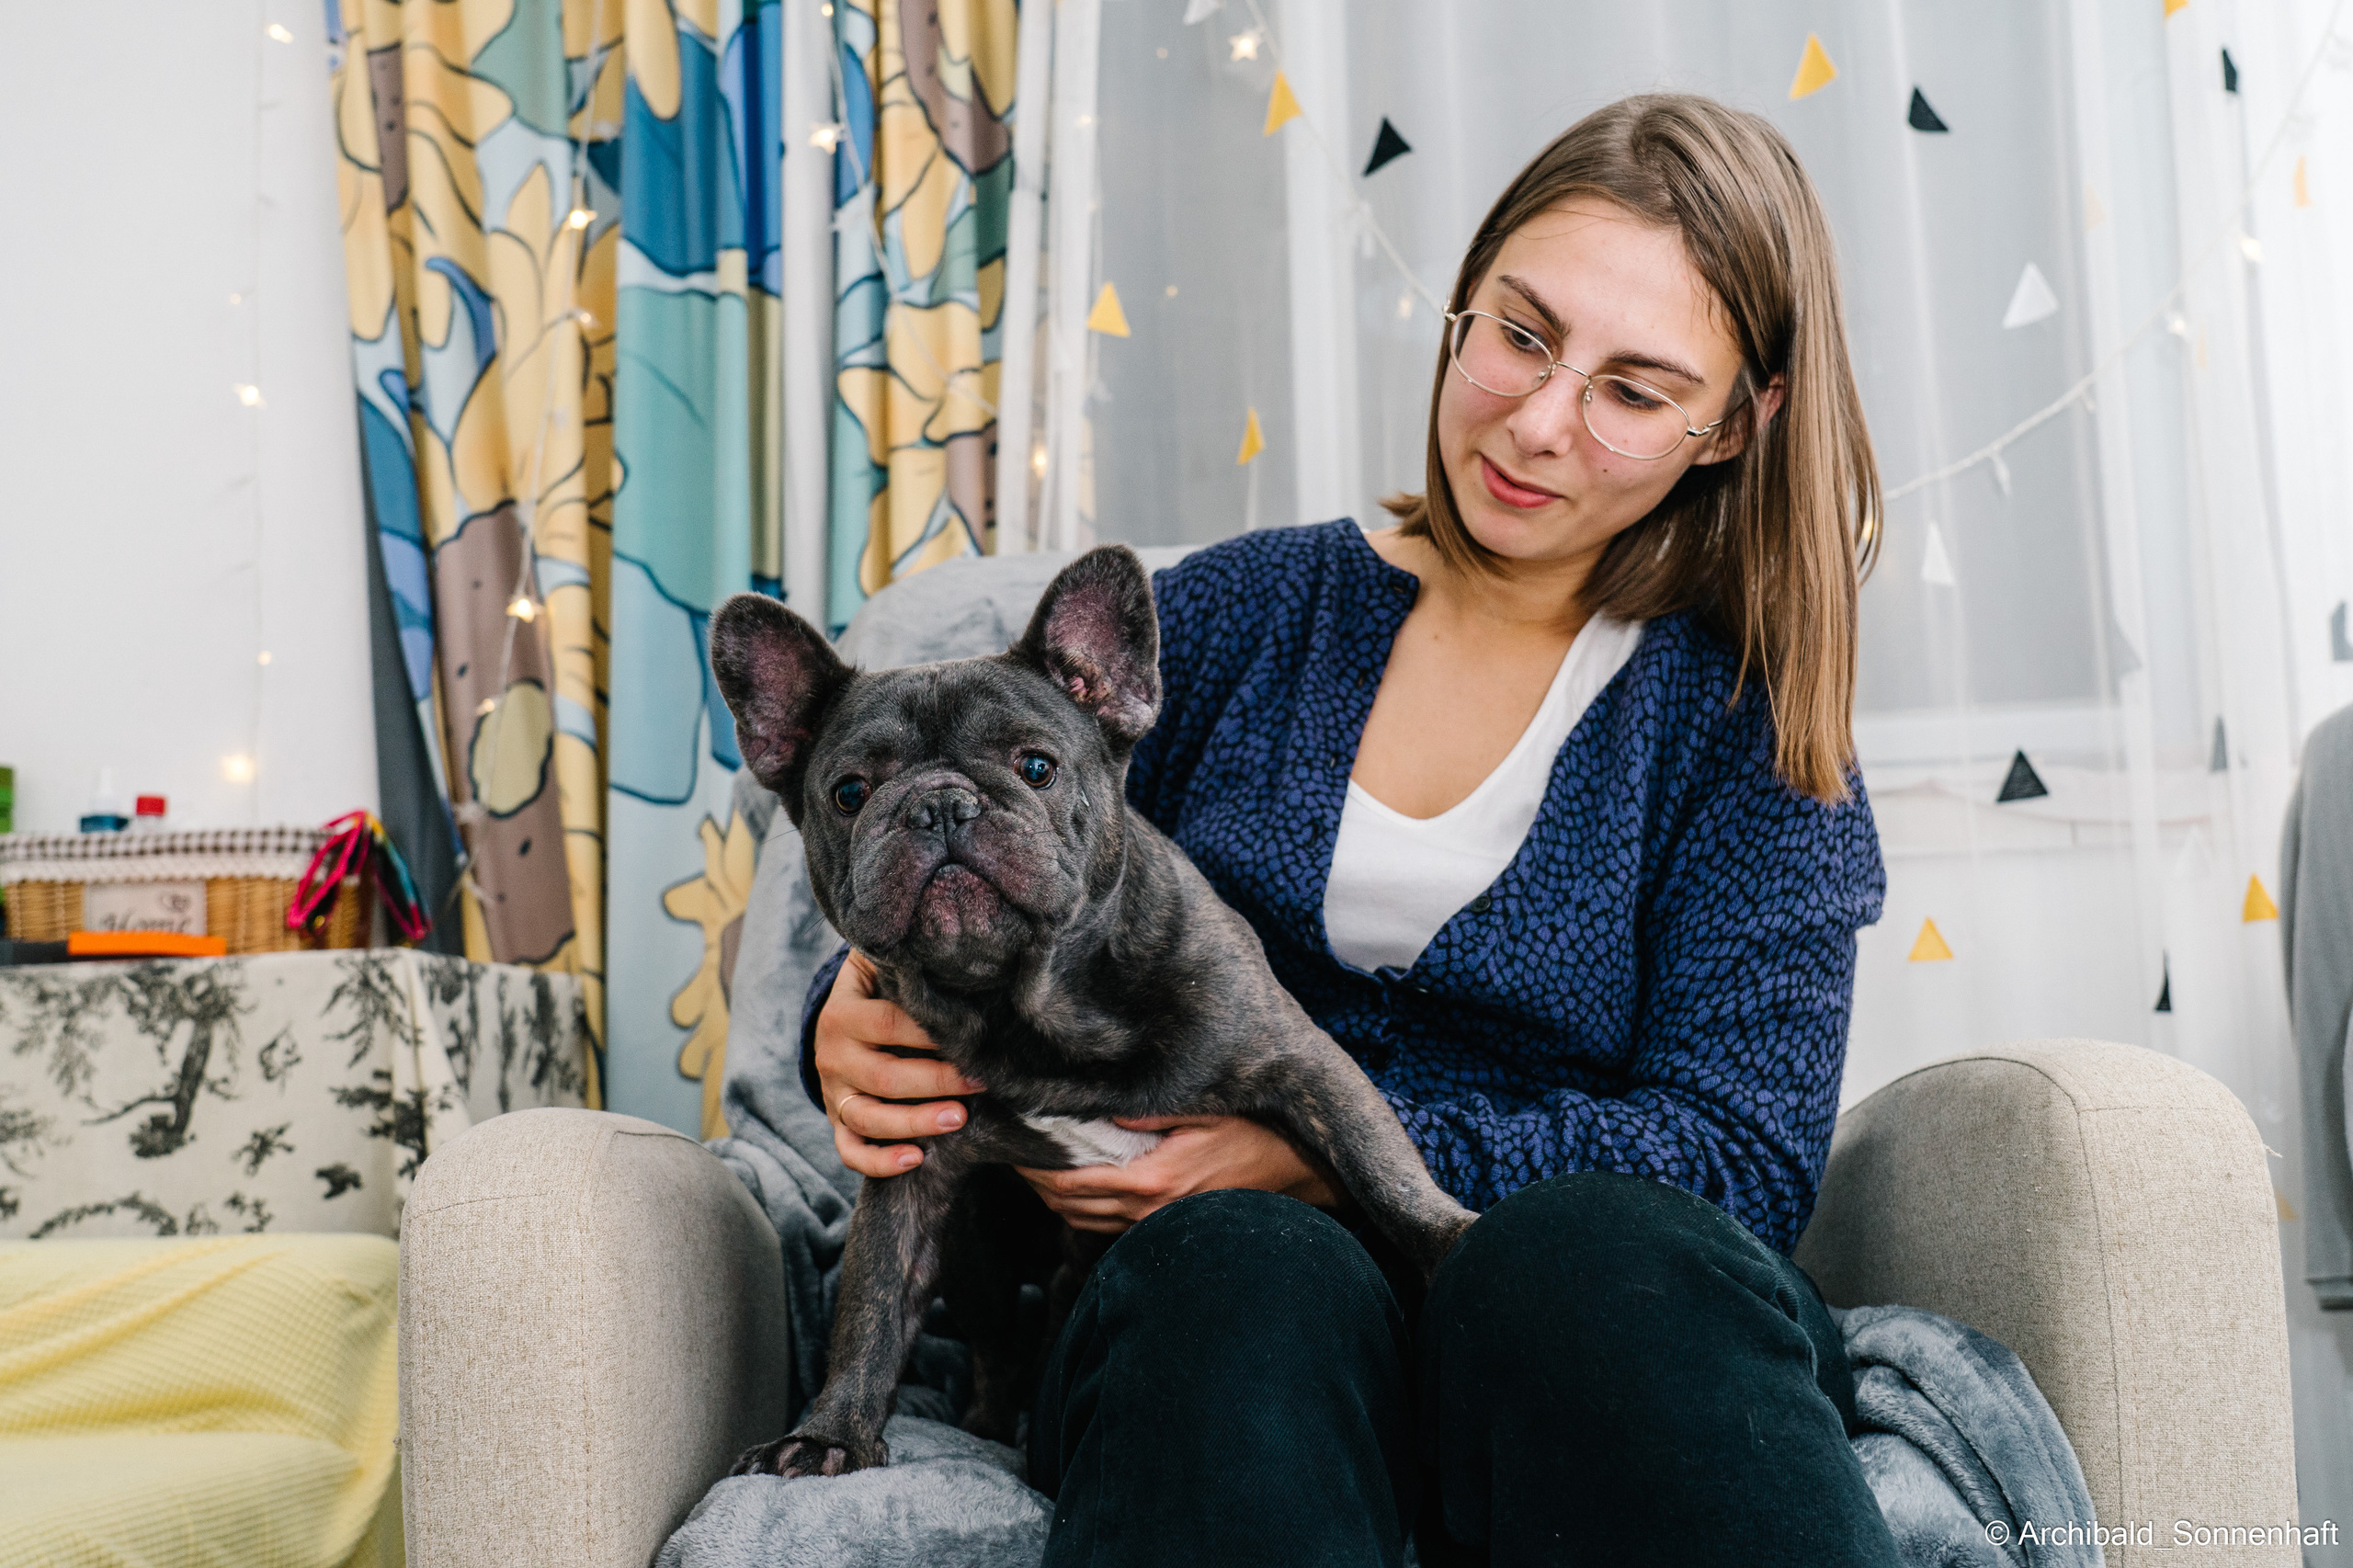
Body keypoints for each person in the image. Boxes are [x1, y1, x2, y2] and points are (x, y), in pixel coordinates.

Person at [802, 92, 1897, 1566]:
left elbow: (1745, 1154)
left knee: (1586, 1255)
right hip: (1209, 1321)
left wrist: (1323, 1151)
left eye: (1635, 391)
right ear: (1458, 309)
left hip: (1608, 1348)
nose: (1538, 418)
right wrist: (853, 1019)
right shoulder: (1242, 617)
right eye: (1519, 333)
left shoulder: (1756, 730)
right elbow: (988, 834)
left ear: (1736, 425)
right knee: (1237, 1273)